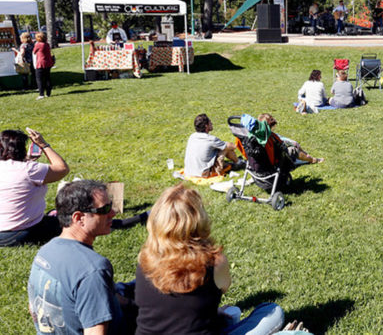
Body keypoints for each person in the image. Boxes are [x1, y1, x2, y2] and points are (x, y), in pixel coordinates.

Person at [135, 184, 288, 334]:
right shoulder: (214, 262)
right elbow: (224, 286)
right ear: (198, 221)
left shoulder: (145, 260)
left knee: (230, 311)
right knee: (273, 312)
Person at [27, 180, 124, 335]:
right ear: (79, 218)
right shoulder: (93, 269)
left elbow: (33, 308)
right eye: (105, 209)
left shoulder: (45, 252)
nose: (113, 213)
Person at [0, 128, 70, 247]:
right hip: (12, 235)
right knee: (68, 221)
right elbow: (62, 169)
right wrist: (44, 145)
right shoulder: (29, 169)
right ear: (20, 149)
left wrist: (27, 159)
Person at [185, 114, 240, 178]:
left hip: (189, 171)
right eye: (210, 122)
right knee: (225, 148)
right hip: (203, 174)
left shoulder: (192, 136)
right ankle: (238, 163)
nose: (212, 123)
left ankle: (236, 162)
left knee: (220, 148)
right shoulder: (211, 139)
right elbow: (232, 146)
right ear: (206, 126)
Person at [257, 113, 323, 164]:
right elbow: (283, 145)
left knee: (292, 143)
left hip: (260, 161)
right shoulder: (272, 137)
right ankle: (312, 159)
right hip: (274, 158)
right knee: (293, 149)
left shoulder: (255, 136)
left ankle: (305, 155)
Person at [33, 32, 55, 100]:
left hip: (40, 63)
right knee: (47, 78)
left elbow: (34, 52)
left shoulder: (38, 45)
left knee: (39, 79)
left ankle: (41, 94)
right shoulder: (47, 44)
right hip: (48, 63)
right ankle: (48, 93)